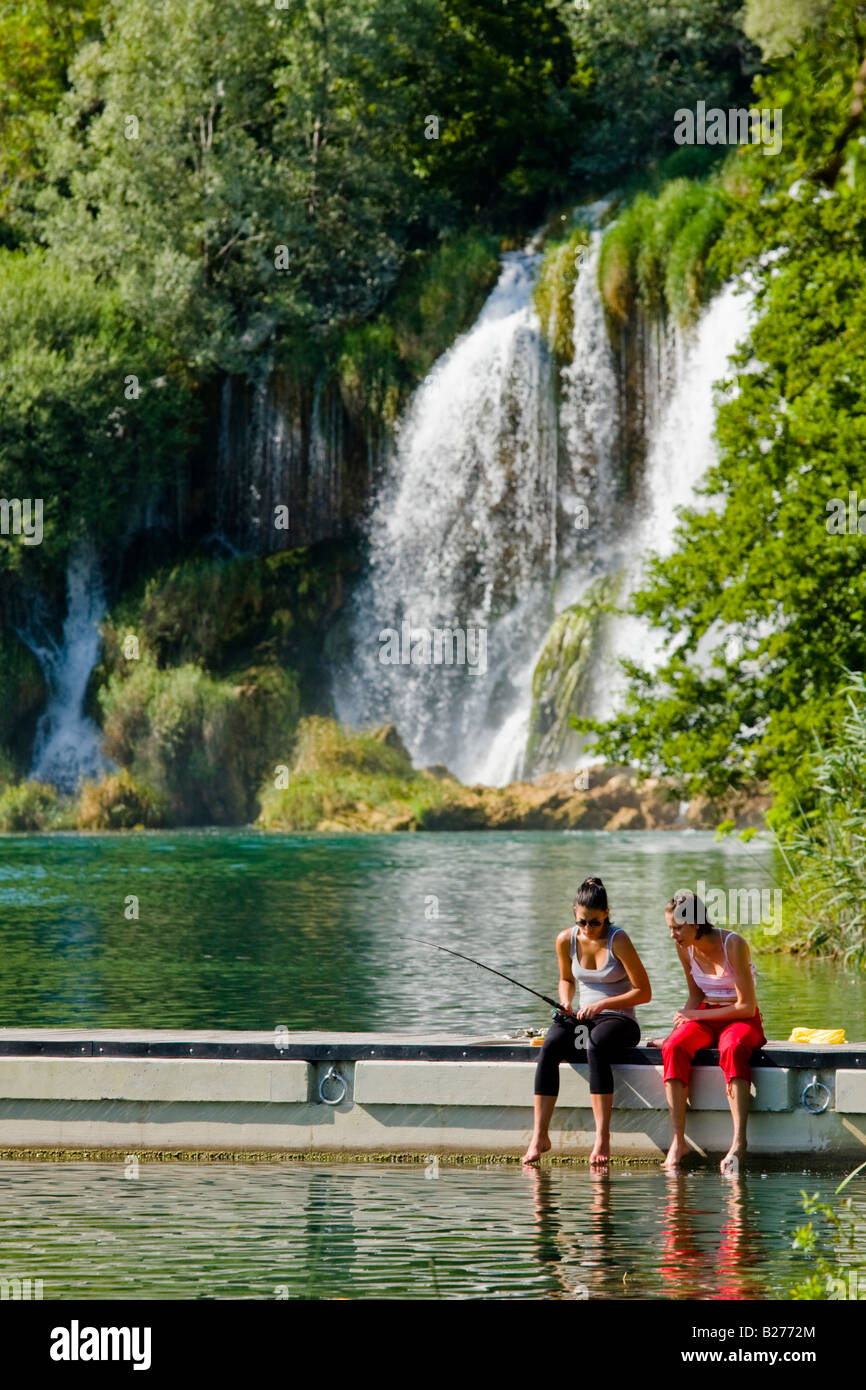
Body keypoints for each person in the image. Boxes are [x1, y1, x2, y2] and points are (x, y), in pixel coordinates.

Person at [522, 875, 651, 1167]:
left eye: (595, 922)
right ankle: (540, 1136)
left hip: (620, 1020)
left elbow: (644, 992)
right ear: (574, 915)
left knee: (595, 1045)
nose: (589, 928)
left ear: (606, 914)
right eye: (582, 922)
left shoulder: (619, 939)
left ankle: (602, 1138)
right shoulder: (565, 940)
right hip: (583, 1018)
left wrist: (603, 1004)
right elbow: (566, 980)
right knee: (551, 1044)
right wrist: (567, 1001)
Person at [657, 890, 766, 1174]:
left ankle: (739, 1142)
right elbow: (695, 997)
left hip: (743, 1018)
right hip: (706, 1014)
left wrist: (697, 1014)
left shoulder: (734, 944)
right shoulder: (684, 947)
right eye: (670, 928)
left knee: (732, 1047)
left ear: (696, 923)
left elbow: (745, 1007)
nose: (673, 935)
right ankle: (677, 1141)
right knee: (673, 1048)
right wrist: (676, 1033)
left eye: (677, 928)